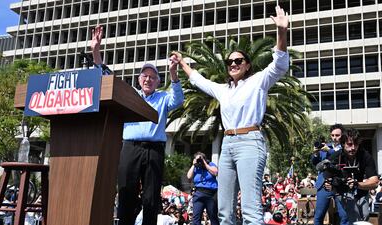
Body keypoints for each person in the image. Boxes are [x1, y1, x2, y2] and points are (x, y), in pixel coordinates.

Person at [171, 6, 289, 224]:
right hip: (227, 145)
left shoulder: (258, 81)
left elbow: (279, 64)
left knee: (251, 210)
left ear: (247, 65)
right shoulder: (223, 90)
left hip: (250, 142)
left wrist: (281, 32)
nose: (233, 64)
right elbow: (199, 80)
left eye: (238, 61)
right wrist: (182, 63)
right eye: (229, 62)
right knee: (224, 211)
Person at [90, 25, 184, 225]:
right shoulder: (130, 94)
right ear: (139, 79)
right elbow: (106, 77)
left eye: (152, 76)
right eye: (144, 76)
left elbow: (178, 100)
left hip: (154, 150)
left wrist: (173, 73)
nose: (148, 79)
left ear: (158, 81)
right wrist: (95, 50)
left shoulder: (163, 98)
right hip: (130, 148)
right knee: (125, 193)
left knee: (151, 199)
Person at [325, 128, 379, 223]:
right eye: (349, 144)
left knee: (364, 217)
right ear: (343, 144)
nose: (353, 148)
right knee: (351, 218)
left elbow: (375, 182)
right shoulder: (335, 157)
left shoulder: (365, 156)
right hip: (343, 193)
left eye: (356, 144)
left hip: (362, 191)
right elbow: (327, 178)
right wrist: (328, 184)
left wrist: (357, 184)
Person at [312, 124, 348, 225]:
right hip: (324, 185)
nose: (334, 138)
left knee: (344, 216)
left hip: (339, 185)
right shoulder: (325, 147)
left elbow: (341, 158)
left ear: (342, 135)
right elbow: (315, 163)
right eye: (332, 135)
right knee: (318, 217)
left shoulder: (346, 148)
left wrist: (330, 151)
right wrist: (315, 153)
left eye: (337, 135)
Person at [186, 152, 219, 225]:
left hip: (211, 194)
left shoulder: (210, 164)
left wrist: (204, 163)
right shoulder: (196, 167)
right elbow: (188, 176)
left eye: (200, 159)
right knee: (196, 217)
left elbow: (215, 172)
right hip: (199, 193)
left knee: (213, 216)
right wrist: (193, 165)